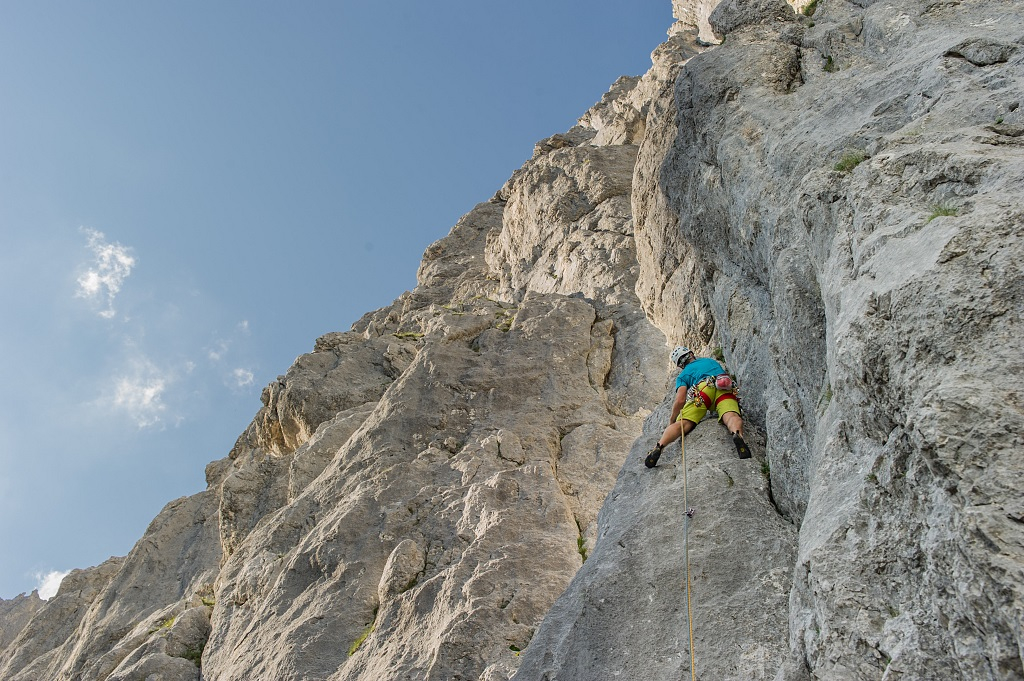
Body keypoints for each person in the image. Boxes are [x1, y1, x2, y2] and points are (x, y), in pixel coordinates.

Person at [644, 345, 750, 467]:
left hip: (703, 389)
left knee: (684, 424)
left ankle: (659, 447)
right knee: (731, 415)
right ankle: (737, 434)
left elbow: (680, 400)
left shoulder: (683, 375)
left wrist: (672, 420)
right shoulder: (710, 361)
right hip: (723, 386)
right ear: (691, 354)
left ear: (680, 365)